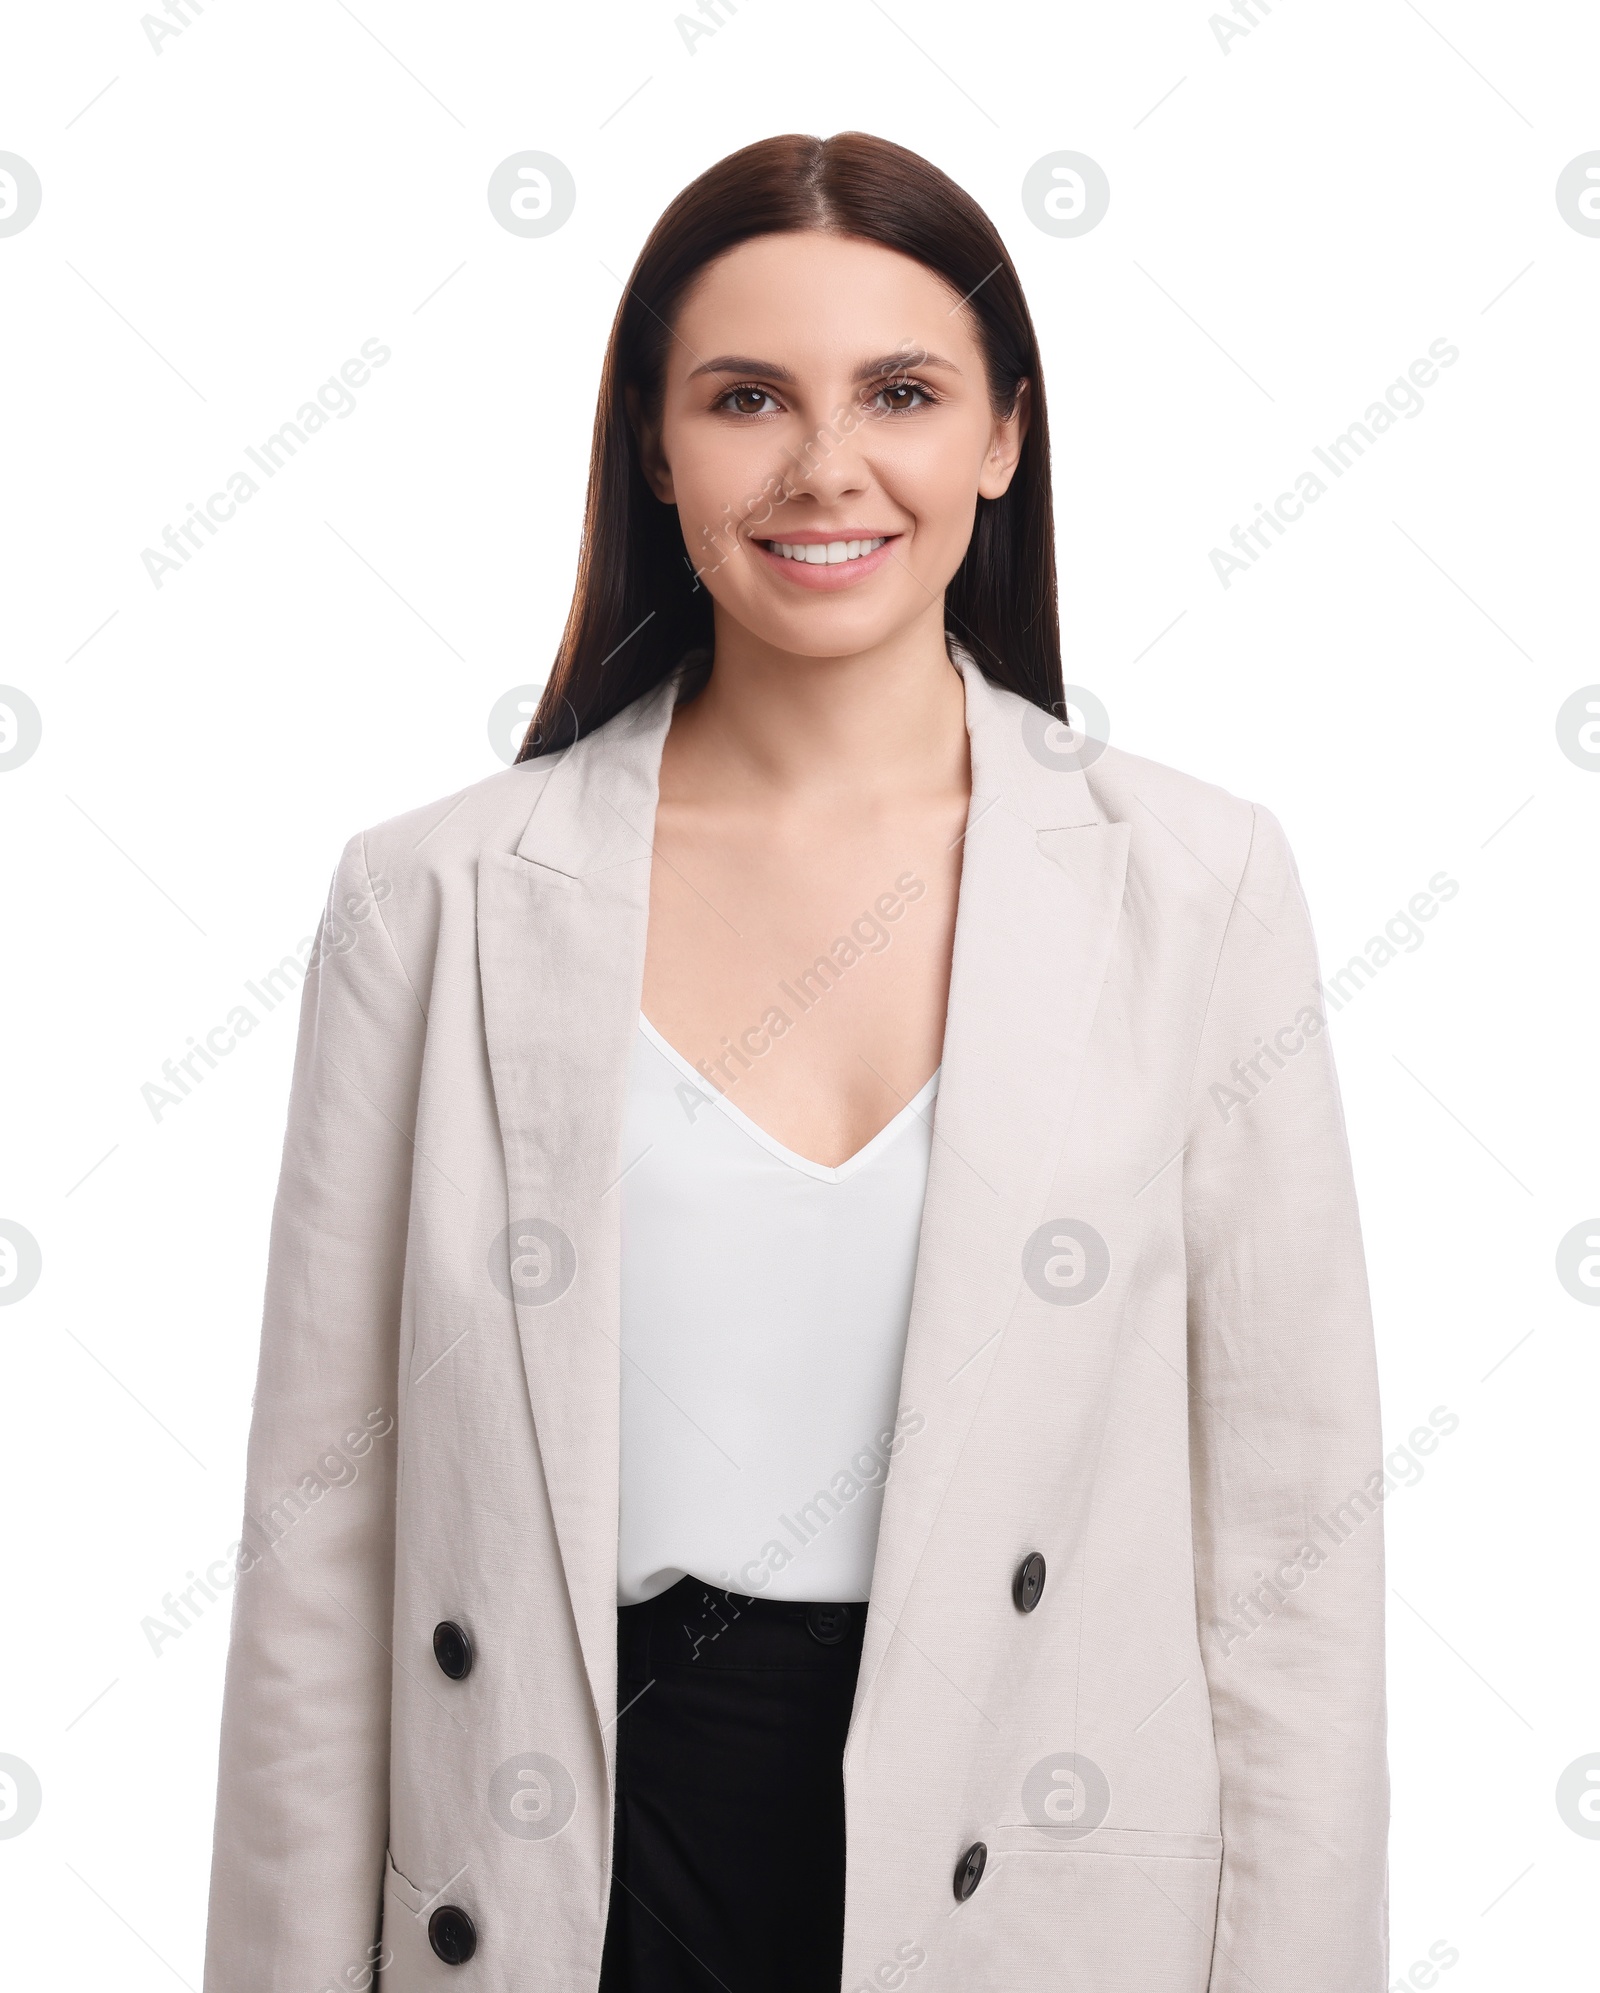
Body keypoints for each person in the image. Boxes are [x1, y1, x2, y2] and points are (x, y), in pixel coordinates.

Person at [204, 131, 1389, 1993]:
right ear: (654, 445)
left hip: (1033, 1889)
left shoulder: (1199, 886)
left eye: (901, 394)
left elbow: (1291, 1574)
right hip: (567, 1881)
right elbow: (318, 1559)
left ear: (1002, 438)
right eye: (746, 395)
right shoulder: (429, 896)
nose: (825, 466)